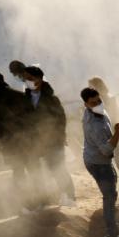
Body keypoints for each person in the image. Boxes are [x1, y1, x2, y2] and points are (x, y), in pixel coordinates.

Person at [23, 66, 76, 207]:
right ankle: (43, 201)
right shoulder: (24, 98)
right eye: (25, 78)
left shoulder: (51, 99)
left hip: (52, 141)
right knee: (36, 173)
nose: (27, 81)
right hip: (34, 142)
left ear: (39, 79)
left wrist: (59, 138)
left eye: (30, 78)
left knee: (58, 169)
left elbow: (61, 119)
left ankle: (69, 197)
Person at [80, 87, 119, 237]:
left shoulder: (95, 112)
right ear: (86, 105)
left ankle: (110, 212)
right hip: (99, 162)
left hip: (92, 158)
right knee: (109, 195)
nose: (98, 104)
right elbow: (106, 150)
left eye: (99, 100)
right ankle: (112, 233)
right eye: (93, 103)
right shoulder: (94, 124)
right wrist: (117, 134)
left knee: (110, 193)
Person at [0, 69, 34, 208]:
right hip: (28, 139)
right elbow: (31, 117)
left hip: (10, 141)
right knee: (33, 168)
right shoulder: (20, 95)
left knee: (18, 171)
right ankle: (41, 198)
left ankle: (25, 203)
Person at [88, 77, 119, 196]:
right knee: (114, 164)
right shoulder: (102, 100)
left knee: (118, 163)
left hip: (116, 135)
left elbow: (114, 117)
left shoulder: (107, 100)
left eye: (91, 87)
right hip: (112, 135)